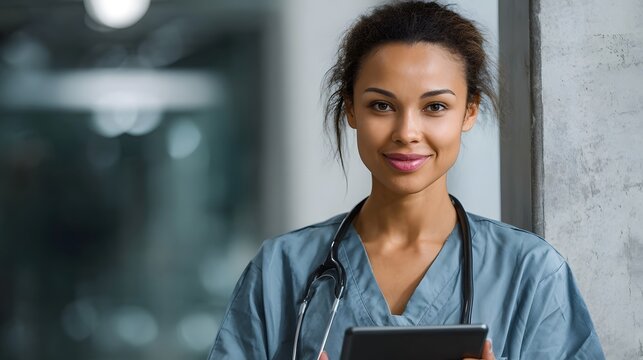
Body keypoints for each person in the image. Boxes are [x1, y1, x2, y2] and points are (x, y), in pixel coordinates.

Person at [208, 1, 605, 359]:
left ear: (469, 112)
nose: (407, 132)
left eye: (435, 106)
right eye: (382, 105)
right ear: (351, 110)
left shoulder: (529, 273)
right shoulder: (282, 271)